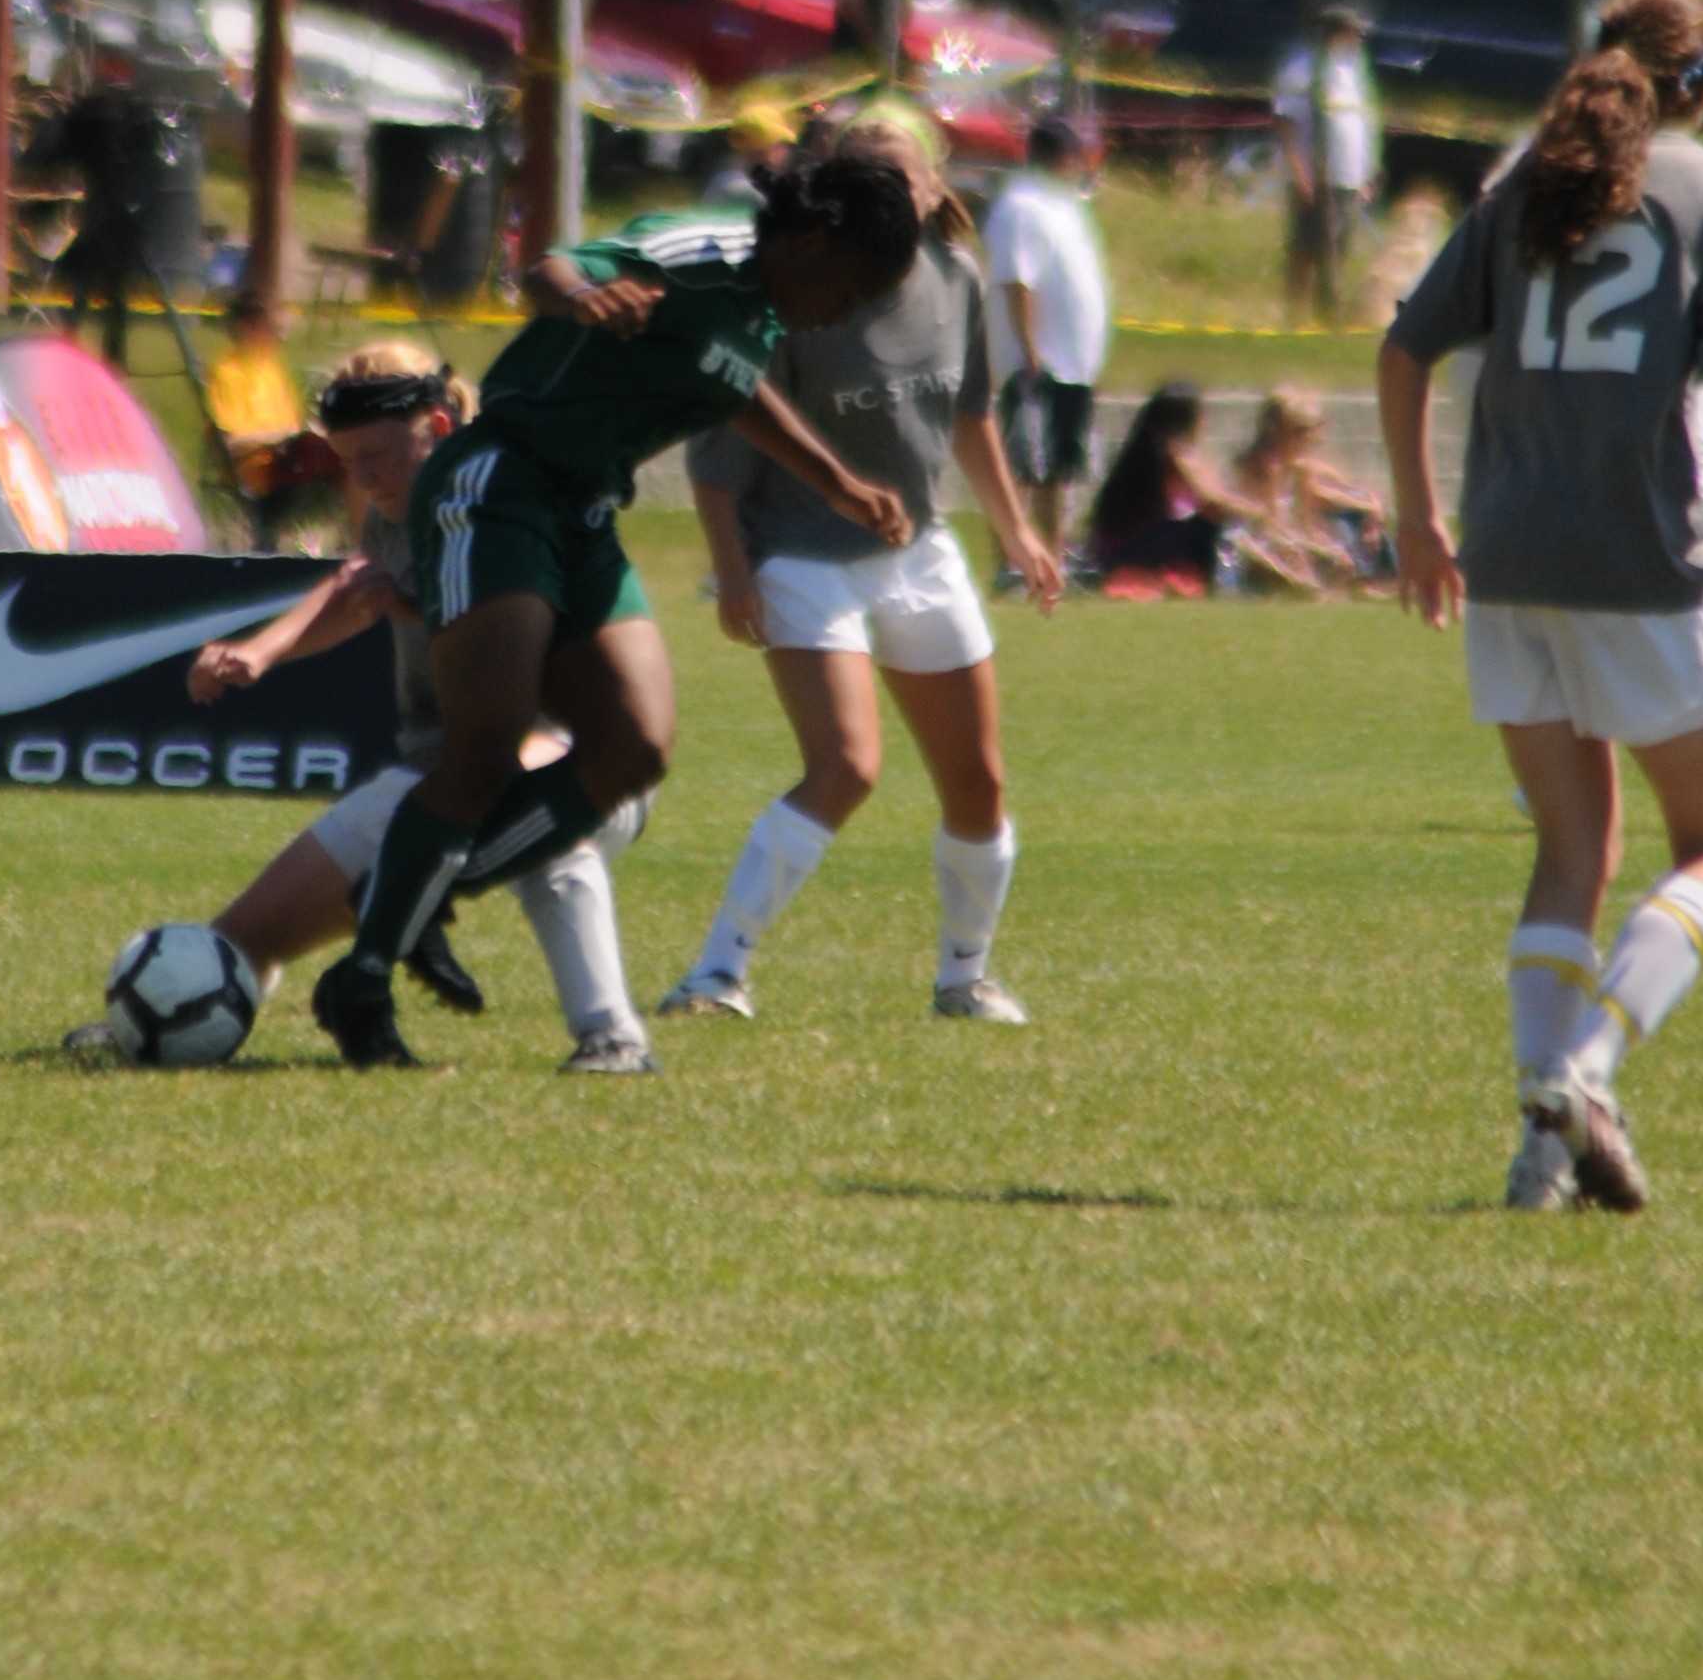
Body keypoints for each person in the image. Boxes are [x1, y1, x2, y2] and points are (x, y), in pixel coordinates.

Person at [1379, 0, 1703, 1215]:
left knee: (1572, 847)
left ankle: (1541, 1152)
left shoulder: (1522, 182)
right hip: (1636, 561)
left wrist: (1419, 519)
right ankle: (1584, 1073)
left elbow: (1403, 345)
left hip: (1507, 559)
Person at [310, 143, 925, 1068]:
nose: (851, 308)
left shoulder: (759, 310)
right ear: (811, 240)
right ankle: (363, 979)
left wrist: (837, 482)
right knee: (486, 747)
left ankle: (417, 895)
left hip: (585, 512)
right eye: (855, 285)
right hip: (502, 485)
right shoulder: (707, 251)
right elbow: (550, 269)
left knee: (636, 748)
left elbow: (731, 384)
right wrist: (584, 297)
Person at [71, 342, 657, 1071]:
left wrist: (408, 603)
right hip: (433, 782)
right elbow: (359, 585)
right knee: (246, 936)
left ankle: (611, 1037)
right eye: (348, 461)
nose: (363, 477)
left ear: (437, 428)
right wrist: (263, 651)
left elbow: (520, 651)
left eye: (375, 455)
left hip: (577, 759)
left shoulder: (512, 497)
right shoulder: (397, 507)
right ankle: (161, 1011)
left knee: (540, 822)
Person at [662, 109, 1062, 1025]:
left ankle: (965, 978)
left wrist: (1016, 531)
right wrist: (732, 568)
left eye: (900, 179)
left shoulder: (958, 276)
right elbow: (720, 447)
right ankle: (715, 975)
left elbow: (970, 413)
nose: (884, 196)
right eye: (862, 180)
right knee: (845, 766)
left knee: (979, 782)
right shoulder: (803, 287)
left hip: (915, 550)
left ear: (932, 188)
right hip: (802, 553)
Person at [985, 116, 1111, 556]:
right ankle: (1011, 559)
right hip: (1039, 359)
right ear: (1062, 157)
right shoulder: (1021, 207)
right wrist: (1029, 348)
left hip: (1072, 364)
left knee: (1057, 468)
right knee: (1023, 465)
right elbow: (1017, 280)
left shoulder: (1065, 208)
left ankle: (1052, 556)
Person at [1082, 381, 1261, 588]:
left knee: (1222, 528)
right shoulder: (1172, 453)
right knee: (1206, 527)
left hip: (1123, 549)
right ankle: (1224, 584)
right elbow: (1213, 504)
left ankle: (1279, 578)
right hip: (1123, 554)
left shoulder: (1158, 449)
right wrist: (1257, 514)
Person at [1274, 4, 1378, 322]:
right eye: (1353, 33)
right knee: (1306, 248)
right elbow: (1285, 121)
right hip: (1316, 176)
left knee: (1339, 248)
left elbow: (1362, 122)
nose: (1358, 39)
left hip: (1348, 177)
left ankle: (1327, 312)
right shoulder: (1303, 69)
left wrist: (1367, 174)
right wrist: (1300, 175)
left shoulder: (1351, 70)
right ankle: (1294, 313)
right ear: (1335, 33)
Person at [1234, 388, 1390, 589]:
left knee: (1333, 552)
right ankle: (1306, 587)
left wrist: (1320, 545)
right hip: (1258, 537)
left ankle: (1343, 587)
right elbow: (1270, 524)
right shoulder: (1266, 466)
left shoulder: (1299, 469)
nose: (1309, 439)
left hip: (1283, 535)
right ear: (1276, 430)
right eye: (1299, 431)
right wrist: (1310, 546)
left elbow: (1303, 521)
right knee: (1294, 551)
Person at [203, 298, 338, 528]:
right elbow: (232, 442)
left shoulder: (270, 371)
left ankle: (362, 537)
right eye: (271, 328)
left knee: (345, 452)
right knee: (328, 454)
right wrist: (279, 438)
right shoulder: (225, 373)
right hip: (255, 467)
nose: (279, 336)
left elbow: (292, 426)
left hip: (286, 458)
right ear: (246, 328)